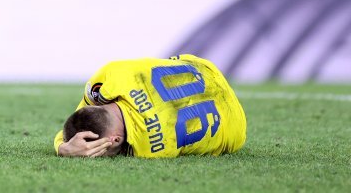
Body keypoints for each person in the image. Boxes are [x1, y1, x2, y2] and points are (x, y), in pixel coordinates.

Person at [55, 54, 246, 158]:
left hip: (236, 129)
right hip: (203, 67)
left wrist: (62, 148)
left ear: (113, 140)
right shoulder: (111, 75)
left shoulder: (148, 149)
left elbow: (81, 122)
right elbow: (86, 109)